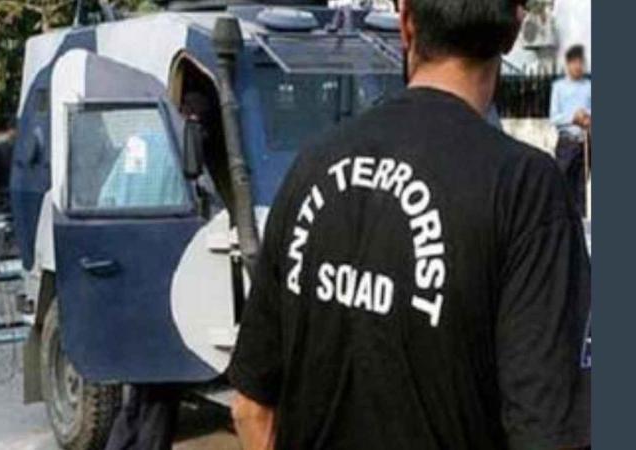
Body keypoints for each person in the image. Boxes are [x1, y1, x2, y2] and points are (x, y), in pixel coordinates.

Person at [228, 1, 591, 449]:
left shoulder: (313, 163)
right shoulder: (526, 189)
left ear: (405, 23)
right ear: (515, 28)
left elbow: (251, 408)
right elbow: (547, 432)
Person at [550, 44, 591, 216]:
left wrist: (587, 117)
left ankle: (581, 222)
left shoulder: (589, 86)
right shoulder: (559, 87)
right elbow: (554, 118)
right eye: (574, 63)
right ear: (567, 64)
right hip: (566, 143)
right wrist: (572, 118)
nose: (578, 66)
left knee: (582, 188)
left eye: (580, 62)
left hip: (584, 143)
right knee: (562, 184)